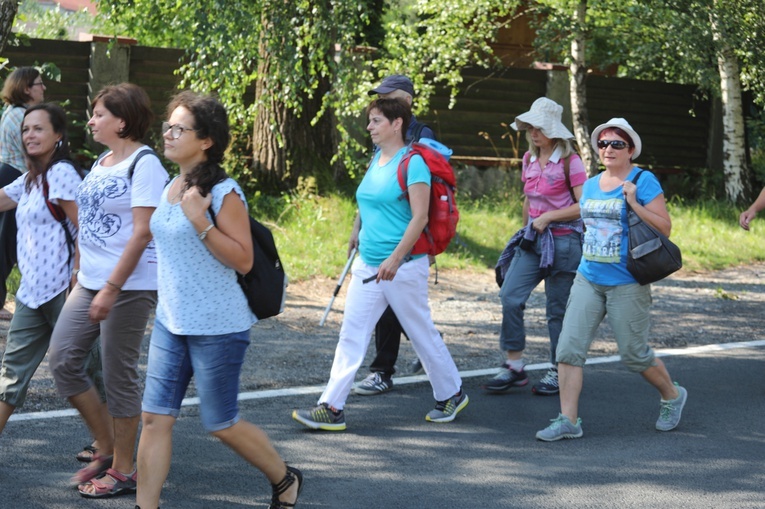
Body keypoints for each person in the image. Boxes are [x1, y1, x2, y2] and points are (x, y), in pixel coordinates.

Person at [134, 91, 302, 509]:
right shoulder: (173, 184)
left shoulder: (223, 192)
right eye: (167, 126)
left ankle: (285, 478)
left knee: (220, 422)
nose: (169, 134)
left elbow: (244, 259)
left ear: (206, 140)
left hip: (218, 326)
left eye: (180, 128)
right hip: (171, 323)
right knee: (154, 419)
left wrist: (200, 221)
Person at [293, 97, 468, 430]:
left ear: (397, 123)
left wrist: (396, 258)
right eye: (370, 121)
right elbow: (367, 202)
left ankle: (452, 393)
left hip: (403, 266)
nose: (370, 127)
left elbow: (419, 216)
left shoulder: (412, 163)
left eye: (376, 121)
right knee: (351, 335)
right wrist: (355, 231)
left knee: (420, 333)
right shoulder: (377, 158)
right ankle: (331, 407)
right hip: (368, 263)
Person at [48, 83, 168, 497]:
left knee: (119, 376)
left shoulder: (145, 164)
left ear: (122, 120)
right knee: (63, 359)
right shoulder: (101, 160)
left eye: (99, 114)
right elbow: (89, 222)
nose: (91, 120)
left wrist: (112, 287)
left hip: (129, 285)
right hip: (92, 281)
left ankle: (123, 469)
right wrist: (80, 272)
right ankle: (106, 445)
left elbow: (141, 234)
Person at [535, 118, 688, 442]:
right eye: (602, 143)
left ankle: (672, 395)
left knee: (634, 354)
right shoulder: (591, 185)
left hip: (627, 281)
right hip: (588, 277)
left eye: (616, 144)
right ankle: (568, 420)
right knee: (568, 349)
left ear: (630, 150)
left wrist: (633, 202)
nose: (608, 149)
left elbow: (665, 228)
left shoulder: (643, 181)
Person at [483, 97, 586, 396]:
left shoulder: (571, 161)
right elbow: (529, 198)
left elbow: (586, 205)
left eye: (538, 127)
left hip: (565, 242)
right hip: (534, 240)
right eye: (529, 127)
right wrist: (525, 230)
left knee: (557, 312)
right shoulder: (528, 160)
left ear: (553, 130)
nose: (532, 133)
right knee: (510, 296)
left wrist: (551, 216)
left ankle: (558, 370)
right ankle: (514, 366)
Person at [352, 74, 437, 396]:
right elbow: (375, 185)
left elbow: (423, 199)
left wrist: (423, 243)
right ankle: (385, 369)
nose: (383, 99)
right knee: (392, 310)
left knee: (401, 311)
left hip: (409, 240)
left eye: (390, 94)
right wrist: (358, 226)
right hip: (379, 237)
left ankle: (387, 370)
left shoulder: (421, 136)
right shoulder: (382, 137)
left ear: (408, 101)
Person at [0, 103, 82, 435]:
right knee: (12, 372)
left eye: (38, 129)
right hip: (32, 293)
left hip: (64, 291)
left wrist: (78, 278)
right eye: (25, 129)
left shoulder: (62, 173)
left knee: (86, 369)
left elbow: (86, 230)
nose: (29, 135)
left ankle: (116, 451)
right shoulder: (33, 178)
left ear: (58, 135)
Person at [0, 67, 46, 320]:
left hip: (9, 175)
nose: (44, 88)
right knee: (5, 245)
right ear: (26, 88)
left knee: (5, 243)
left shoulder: (13, 112)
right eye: (39, 84)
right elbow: (33, 153)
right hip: (14, 177)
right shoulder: (21, 116)